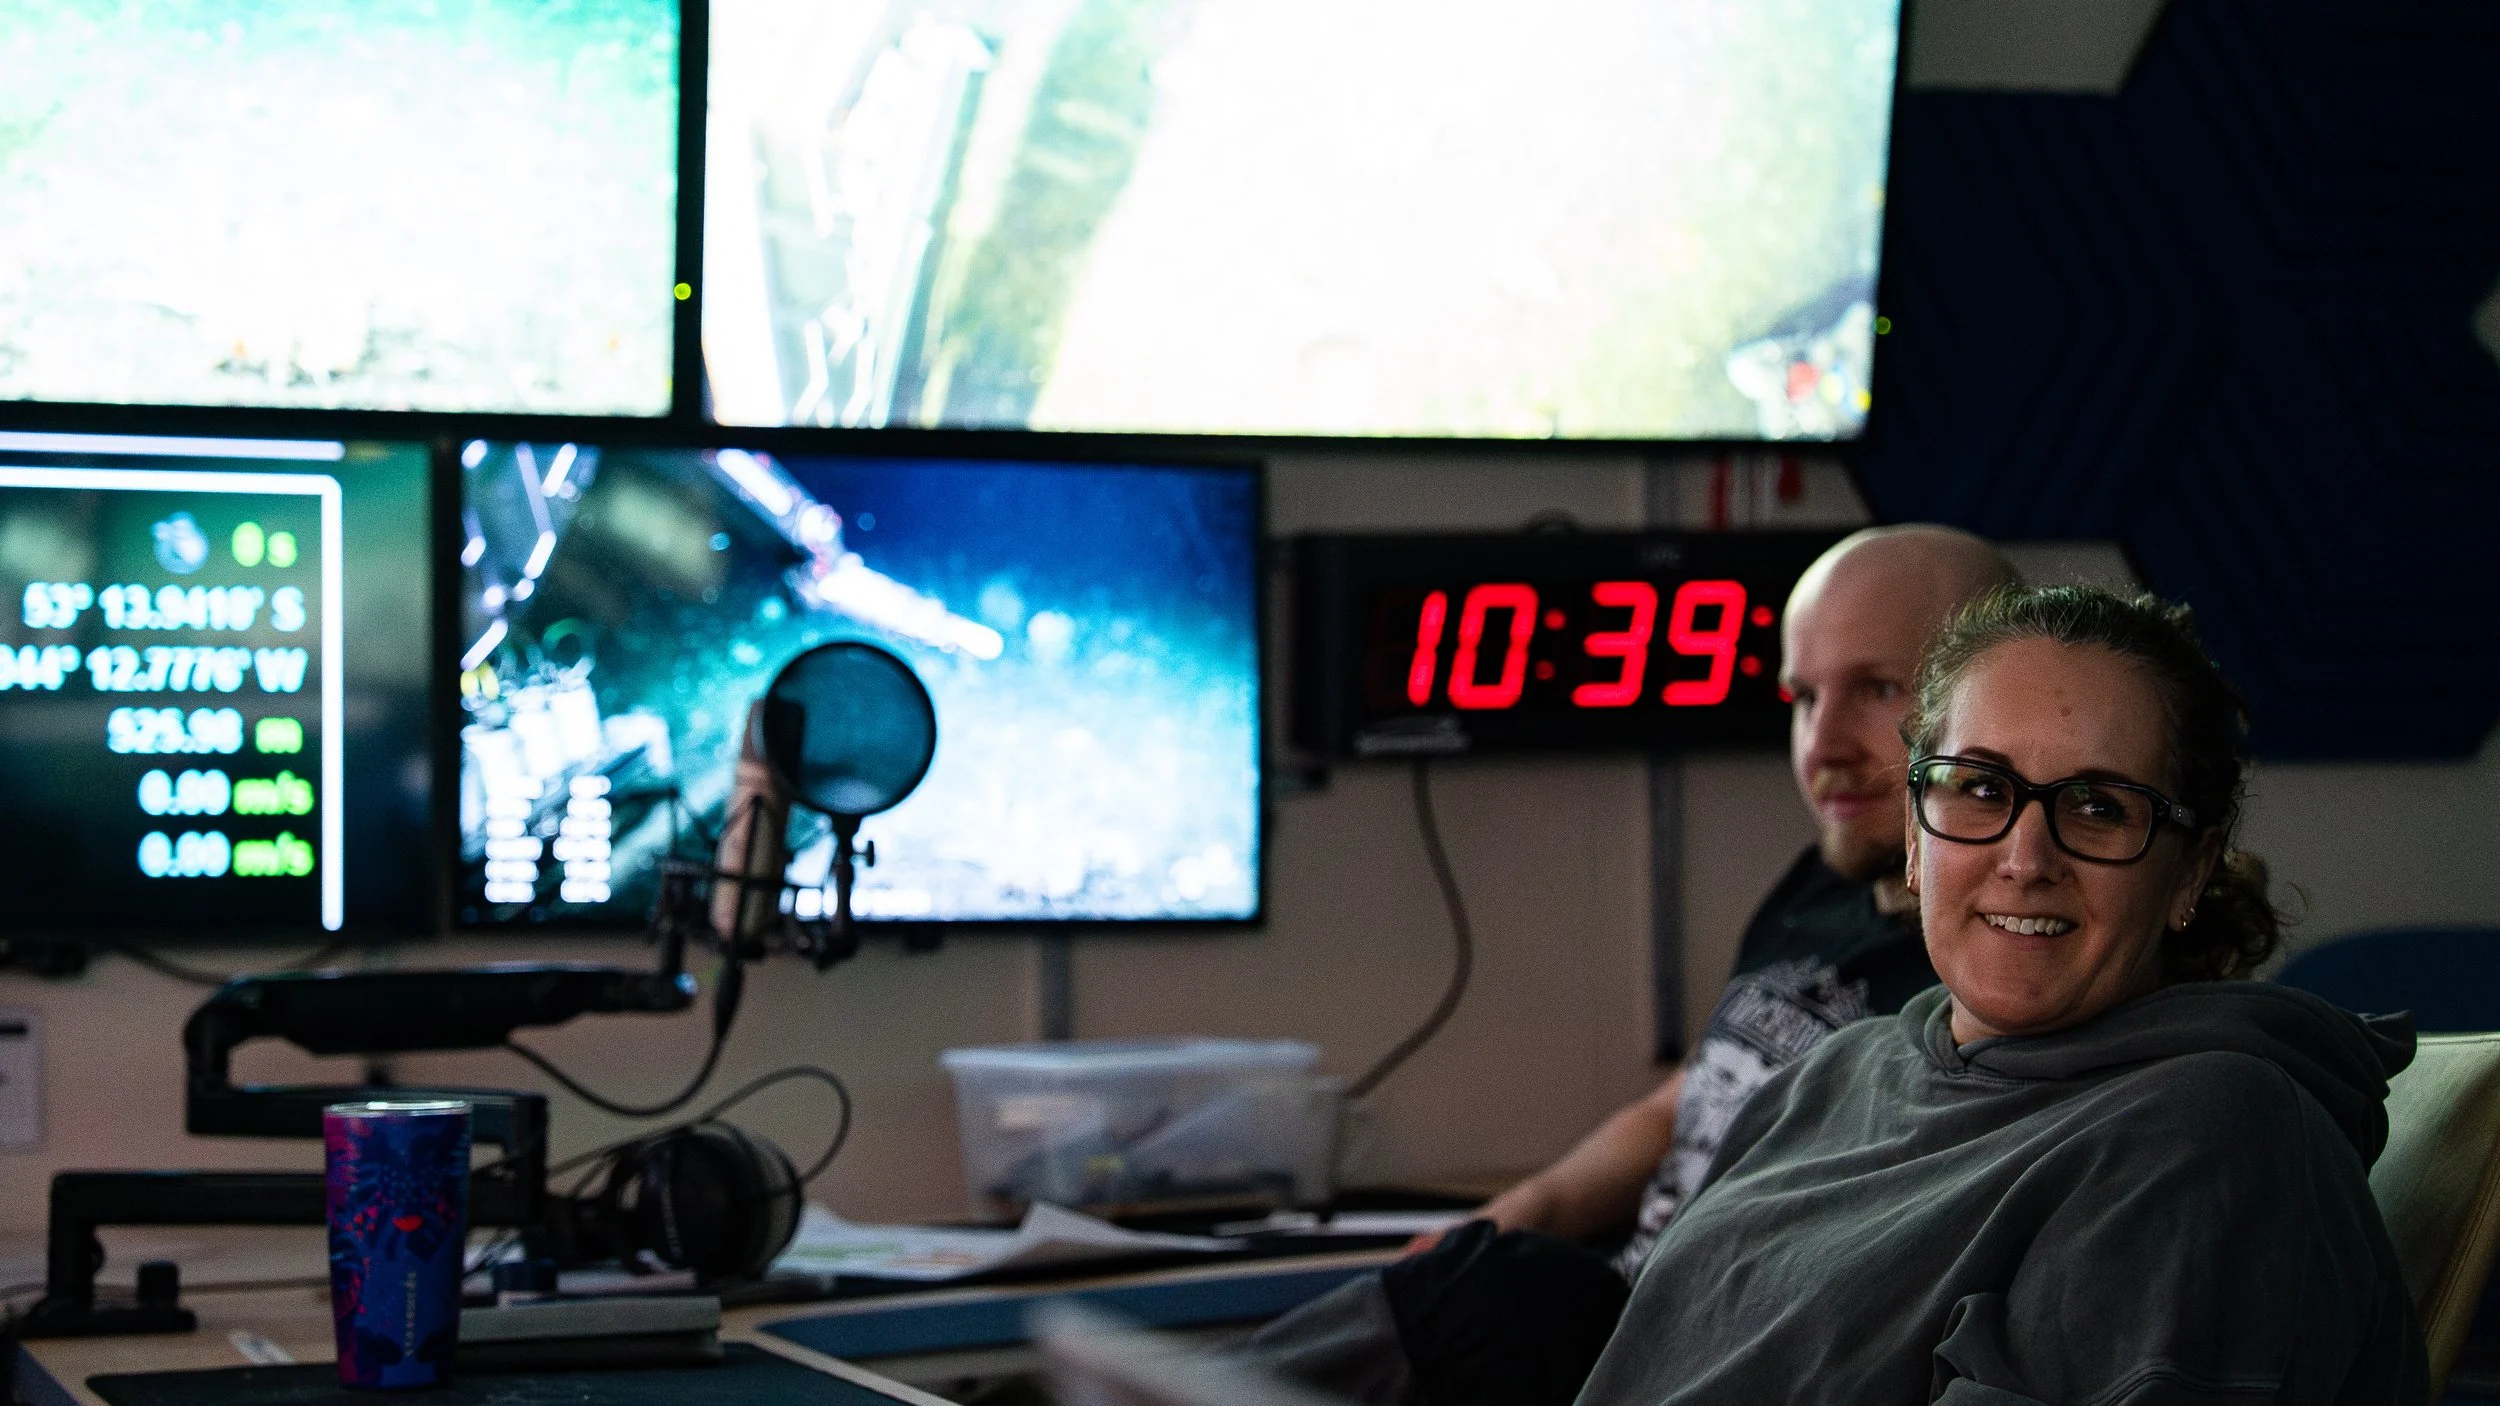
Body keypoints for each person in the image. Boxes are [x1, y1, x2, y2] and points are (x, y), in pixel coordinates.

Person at [1573, 585, 2426, 1406]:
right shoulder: (1830, 1078)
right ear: (1913, 838)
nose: (2026, 859)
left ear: (2191, 872)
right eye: (1981, 789)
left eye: (2098, 806)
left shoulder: (2205, 1138)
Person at [1244, 525, 2018, 1406]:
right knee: (1487, 1271)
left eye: (1880, 689)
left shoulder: (1988, 964)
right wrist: (1512, 1214)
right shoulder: (1825, 880)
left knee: (1491, 1299)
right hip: (1625, 1295)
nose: (1823, 744)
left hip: (1699, 1354)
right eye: (1804, 697)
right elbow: (1686, 1100)